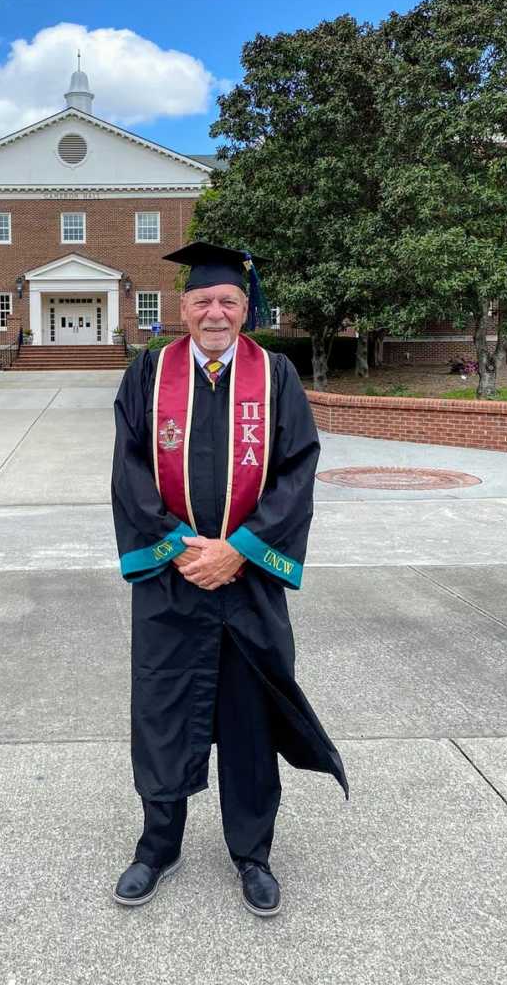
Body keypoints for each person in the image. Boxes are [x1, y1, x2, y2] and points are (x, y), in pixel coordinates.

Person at [110, 240, 348, 917]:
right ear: (183, 308)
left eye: (228, 302)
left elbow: (297, 470)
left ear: (246, 310)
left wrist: (238, 550)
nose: (215, 312)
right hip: (170, 577)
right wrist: (177, 546)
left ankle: (254, 854)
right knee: (162, 709)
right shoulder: (149, 375)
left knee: (248, 718)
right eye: (203, 300)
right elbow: (128, 467)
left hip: (248, 582)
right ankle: (158, 845)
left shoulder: (274, 376)